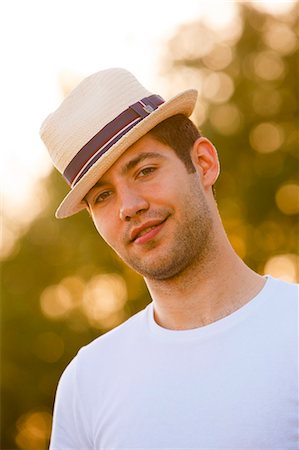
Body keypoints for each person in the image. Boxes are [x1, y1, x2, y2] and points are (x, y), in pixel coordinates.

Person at [40, 68, 298, 449]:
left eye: (144, 170)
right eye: (102, 196)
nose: (129, 206)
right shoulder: (88, 384)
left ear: (204, 163)